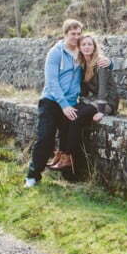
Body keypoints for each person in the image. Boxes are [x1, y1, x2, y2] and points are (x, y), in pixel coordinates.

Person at [24, 19, 107, 188]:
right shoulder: (55, 53)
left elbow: (96, 58)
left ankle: (69, 177)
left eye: (78, 34)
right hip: (52, 101)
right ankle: (33, 177)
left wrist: (109, 63)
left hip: (71, 103)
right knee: (45, 138)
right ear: (65, 34)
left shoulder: (81, 52)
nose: (76, 37)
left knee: (69, 137)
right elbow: (51, 82)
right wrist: (64, 105)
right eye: (72, 34)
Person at [48, 34, 119, 173]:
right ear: (79, 47)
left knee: (77, 118)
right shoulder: (82, 64)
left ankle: (68, 157)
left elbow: (103, 89)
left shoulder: (100, 63)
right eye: (83, 44)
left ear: (94, 47)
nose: (87, 47)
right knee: (68, 114)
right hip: (91, 100)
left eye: (89, 44)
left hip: (107, 101)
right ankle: (61, 153)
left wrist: (101, 111)